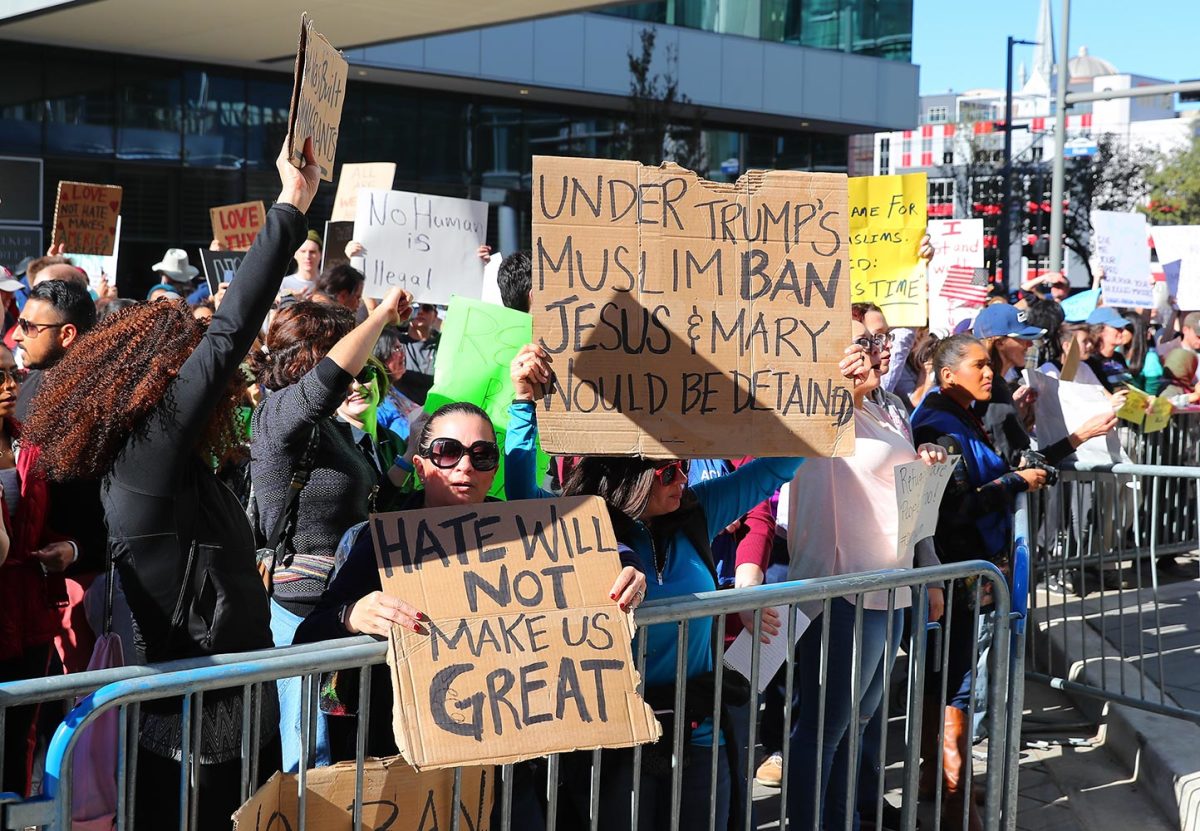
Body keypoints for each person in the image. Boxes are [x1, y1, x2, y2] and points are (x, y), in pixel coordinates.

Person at [21, 137, 323, 828]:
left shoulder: (153, 459)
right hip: (195, 728)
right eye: (180, 360)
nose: (198, 372)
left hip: (218, 706)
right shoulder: (148, 456)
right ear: (151, 374)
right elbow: (229, 335)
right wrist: (289, 205)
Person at [295, 401, 637, 827]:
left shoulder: (520, 527)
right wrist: (352, 614)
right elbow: (308, 636)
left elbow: (590, 539)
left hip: (508, 766)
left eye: (482, 455)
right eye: (447, 451)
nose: (464, 466)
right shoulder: (378, 539)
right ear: (421, 466)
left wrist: (625, 568)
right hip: (412, 766)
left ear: (494, 468)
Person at [504, 342, 801, 831]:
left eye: (684, 465)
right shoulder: (582, 524)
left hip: (700, 728)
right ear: (630, 477)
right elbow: (521, 496)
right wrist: (522, 403)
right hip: (616, 733)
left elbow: (775, 468)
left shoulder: (697, 512)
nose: (682, 478)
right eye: (667, 470)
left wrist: (834, 400)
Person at [785, 320, 950, 831]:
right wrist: (833, 388)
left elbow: (900, 492)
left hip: (892, 590)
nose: (876, 353)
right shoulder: (814, 409)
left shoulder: (885, 408)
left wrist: (932, 570)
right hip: (843, 590)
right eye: (863, 342)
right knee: (825, 729)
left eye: (878, 343)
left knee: (856, 727)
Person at [249, 287, 411, 772]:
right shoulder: (276, 418)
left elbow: (371, 506)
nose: (357, 369)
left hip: (351, 606)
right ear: (311, 359)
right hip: (303, 614)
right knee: (311, 756)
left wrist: (407, 455)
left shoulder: (337, 432)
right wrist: (380, 314)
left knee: (346, 751)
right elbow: (328, 380)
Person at [911, 335, 1049, 831]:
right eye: (978, 365)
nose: (989, 373)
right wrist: (1017, 483)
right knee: (957, 683)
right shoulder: (939, 426)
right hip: (954, 572)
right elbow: (954, 511)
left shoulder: (962, 415)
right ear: (947, 375)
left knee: (945, 678)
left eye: (990, 365)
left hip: (966, 572)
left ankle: (938, 782)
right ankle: (956, 806)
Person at [972, 303, 1115, 467]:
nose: (1030, 345)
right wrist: (1083, 434)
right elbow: (1014, 464)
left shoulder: (999, 387)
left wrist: (1018, 416)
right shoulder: (991, 390)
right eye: (1022, 338)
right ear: (1000, 343)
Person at [372, 326, 422, 442]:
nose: (403, 354)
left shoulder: (390, 390)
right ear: (380, 354)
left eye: (401, 348)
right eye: (396, 349)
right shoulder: (374, 402)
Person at [1084, 306, 1135, 393]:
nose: (1122, 331)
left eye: (1122, 327)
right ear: (1099, 330)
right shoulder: (1089, 362)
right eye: (1117, 327)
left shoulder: (1118, 357)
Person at [280, 230, 323, 297]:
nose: (307, 256)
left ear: (321, 254)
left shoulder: (328, 284)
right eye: (303, 251)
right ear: (295, 254)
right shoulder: (283, 284)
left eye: (312, 252)